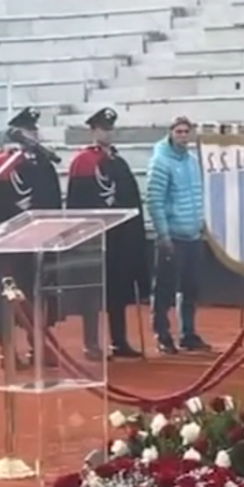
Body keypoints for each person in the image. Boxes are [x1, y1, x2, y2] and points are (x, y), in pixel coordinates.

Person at [0, 106, 63, 366]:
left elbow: (53, 200)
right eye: (28, 129)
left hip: (38, 241)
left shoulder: (43, 162)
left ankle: (38, 346)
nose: (33, 133)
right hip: (9, 243)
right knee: (8, 297)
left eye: (35, 129)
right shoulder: (4, 163)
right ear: (17, 133)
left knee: (37, 295)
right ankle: (7, 350)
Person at [66, 107, 150, 360]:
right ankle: (91, 343)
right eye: (103, 128)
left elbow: (131, 200)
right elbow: (76, 201)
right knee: (92, 294)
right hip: (95, 237)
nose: (108, 133)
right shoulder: (83, 161)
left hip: (120, 237)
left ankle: (119, 340)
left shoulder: (117, 161)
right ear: (93, 131)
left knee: (119, 290)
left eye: (110, 128)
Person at [147, 115, 211, 354]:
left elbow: (199, 194)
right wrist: (163, 234)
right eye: (179, 132)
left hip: (193, 235)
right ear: (171, 133)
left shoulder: (193, 162)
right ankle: (162, 334)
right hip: (172, 235)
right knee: (165, 289)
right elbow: (154, 200)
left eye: (186, 131)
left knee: (191, 288)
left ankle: (188, 333)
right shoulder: (160, 162)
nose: (183, 135)